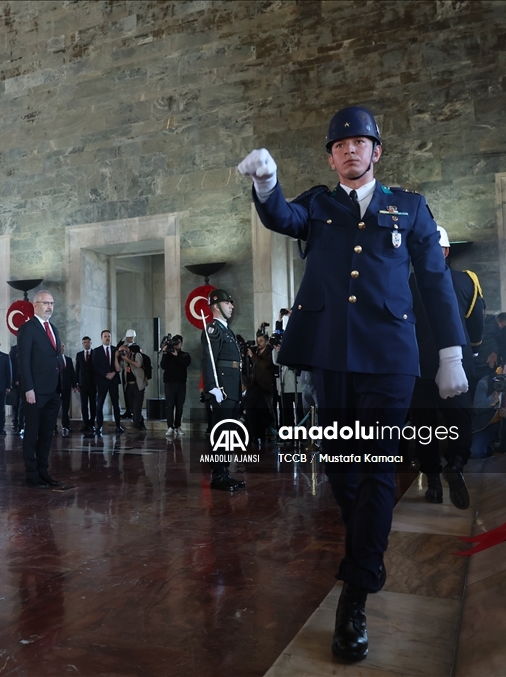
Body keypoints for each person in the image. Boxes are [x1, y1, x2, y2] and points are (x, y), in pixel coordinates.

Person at [238, 105, 467, 662]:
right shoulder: (317, 206)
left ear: (377, 152)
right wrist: (267, 183)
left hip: (390, 356)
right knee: (341, 466)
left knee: (376, 467)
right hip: (330, 356)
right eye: (340, 145)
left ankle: (356, 592)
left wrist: (450, 353)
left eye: (360, 143)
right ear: (331, 156)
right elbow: (280, 218)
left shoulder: (409, 208)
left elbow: (435, 283)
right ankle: (367, 544)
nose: (349, 150)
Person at [407, 225, 483, 509]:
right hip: (459, 359)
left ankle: (434, 484)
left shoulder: (407, 282)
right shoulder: (466, 281)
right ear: (447, 251)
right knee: (459, 418)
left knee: (423, 424)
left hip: (419, 362)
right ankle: (456, 462)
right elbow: (476, 325)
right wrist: (472, 350)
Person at [200, 289, 246, 491]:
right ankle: (218, 474)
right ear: (216, 306)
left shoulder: (227, 330)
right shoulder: (213, 330)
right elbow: (209, 360)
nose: (232, 306)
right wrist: (212, 388)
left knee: (229, 433)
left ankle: (224, 471)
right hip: (222, 390)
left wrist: (240, 387)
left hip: (232, 389)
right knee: (221, 432)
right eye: (228, 303)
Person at [18, 290, 63, 487]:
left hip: (53, 391)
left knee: (47, 433)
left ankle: (43, 470)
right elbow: (24, 361)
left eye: (51, 303)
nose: (49, 307)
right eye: (46, 303)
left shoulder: (53, 328)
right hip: (35, 391)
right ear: (35, 305)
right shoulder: (28, 328)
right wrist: (28, 388)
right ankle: (31, 474)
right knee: (32, 432)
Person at [92, 330, 125, 435]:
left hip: (113, 381)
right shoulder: (96, 351)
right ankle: (99, 426)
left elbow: (119, 366)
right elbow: (95, 366)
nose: (107, 338)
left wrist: (113, 373)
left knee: (116, 404)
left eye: (108, 336)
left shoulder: (116, 350)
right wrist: (106, 375)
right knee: (100, 404)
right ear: (101, 338)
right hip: (102, 381)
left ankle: (118, 425)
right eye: (105, 336)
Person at [160, 335, 190, 438]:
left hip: (181, 384)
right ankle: (170, 427)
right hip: (169, 383)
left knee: (179, 406)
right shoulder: (168, 355)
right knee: (169, 405)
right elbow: (163, 366)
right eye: (175, 343)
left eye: (178, 343)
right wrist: (165, 353)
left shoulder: (185, 355)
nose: (176, 345)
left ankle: (178, 426)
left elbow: (185, 363)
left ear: (181, 343)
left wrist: (176, 355)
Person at [121, 344, 151, 429]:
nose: (123, 352)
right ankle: (140, 422)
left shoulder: (137, 355)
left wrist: (127, 359)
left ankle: (135, 426)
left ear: (128, 349)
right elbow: (120, 368)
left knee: (137, 406)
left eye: (124, 350)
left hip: (138, 384)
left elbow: (138, 365)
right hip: (129, 385)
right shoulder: (124, 358)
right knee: (131, 406)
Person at [75, 336, 96, 433]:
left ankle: (92, 423)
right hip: (83, 384)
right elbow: (77, 369)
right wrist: (76, 383)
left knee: (93, 404)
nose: (86, 344)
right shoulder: (79, 355)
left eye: (88, 342)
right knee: (84, 405)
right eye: (84, 342)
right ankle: (85, 424)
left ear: (91, 343)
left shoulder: (95, 353)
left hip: (93, 383)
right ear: (82, 344)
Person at [57, 342, 77, 435]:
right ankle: (53, 427)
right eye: (60, 346)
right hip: (56, 388)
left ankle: (66, 425)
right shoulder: (54, 359)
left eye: (63, 346)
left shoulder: (68, 360)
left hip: (67, 387)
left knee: (66, 408)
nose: (62, 348)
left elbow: (72, 373)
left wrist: (74, 385)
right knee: (56, 408)